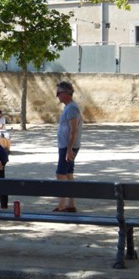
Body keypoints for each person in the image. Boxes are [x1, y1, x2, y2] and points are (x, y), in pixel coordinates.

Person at [53, 81, 82, 213]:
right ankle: (70, 205)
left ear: (67, 93)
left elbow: (73, 130)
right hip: (66, 146)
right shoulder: (69, 107)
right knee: (69, 174)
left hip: (67, 147)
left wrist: (69, 149)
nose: (57, 95)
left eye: (59, 93)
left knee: (60, 174)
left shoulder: (72, 108)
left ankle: (61, 205)